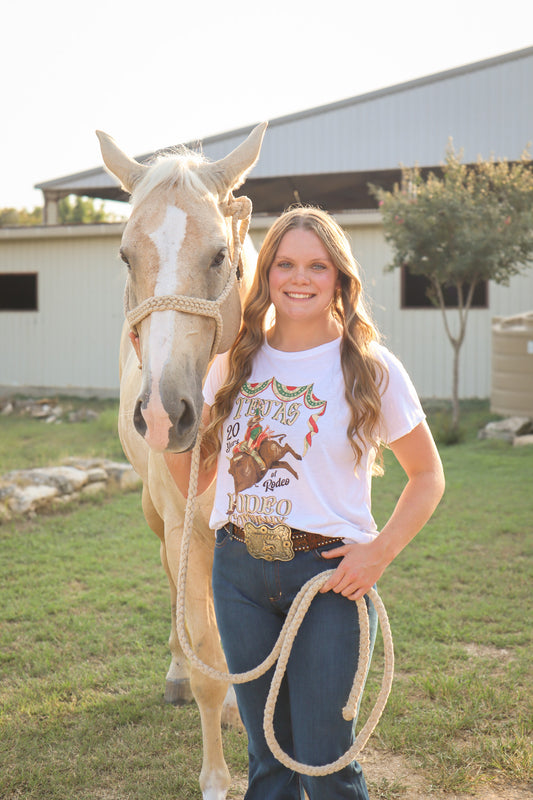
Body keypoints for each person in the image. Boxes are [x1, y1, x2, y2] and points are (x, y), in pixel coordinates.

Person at [164, 206, 445, 800]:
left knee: (324, 764)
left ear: (339, 279)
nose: (300, 277)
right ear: (265, 275)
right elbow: (195, 474)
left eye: (317, 266)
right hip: (238, 574)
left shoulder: (370, 368)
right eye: (286, 263)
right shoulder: (232, 362)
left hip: (328, 579)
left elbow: (427, 476)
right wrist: (168, 429)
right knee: (268, 763)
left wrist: (378, 553)